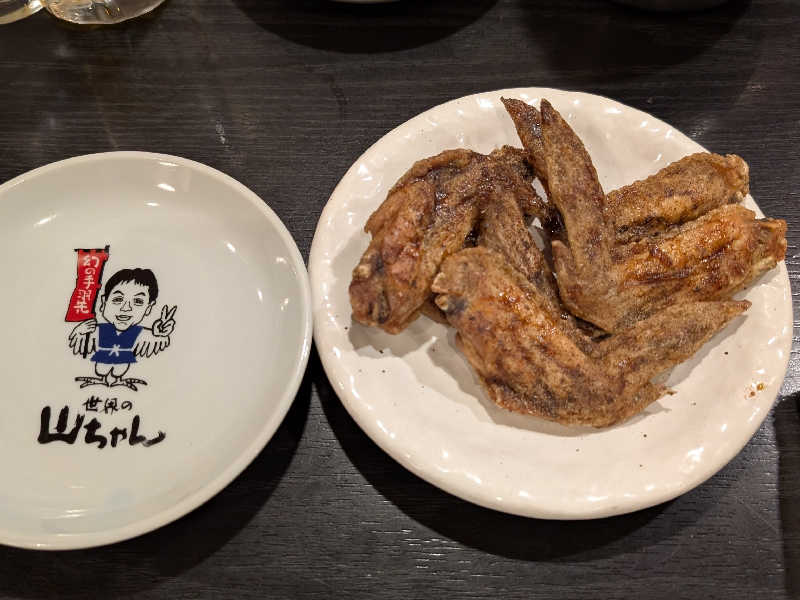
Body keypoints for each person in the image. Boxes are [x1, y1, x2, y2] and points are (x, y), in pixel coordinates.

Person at [68, 268, 176, 391]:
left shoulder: (138, 332)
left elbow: (153, 341)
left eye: (138, 301)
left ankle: (118, 380)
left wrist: (159, 334)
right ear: (103, 302)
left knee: (119, 369)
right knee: (102, 368)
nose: (126, 308)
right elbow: (80, 341)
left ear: (148, 308)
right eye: (118, 299)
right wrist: (79, 331)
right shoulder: (98, 329)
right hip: (103, 357)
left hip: (123, 359)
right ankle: (102, 379)